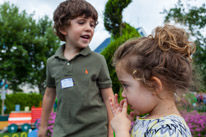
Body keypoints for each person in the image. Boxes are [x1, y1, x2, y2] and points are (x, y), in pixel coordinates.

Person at [38, 0, 114, 137]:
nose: (89, 28)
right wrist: (43, 127)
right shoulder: (52, 63)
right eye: (81, 22)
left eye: (92, 25)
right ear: (63, 29)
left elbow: (109, 98)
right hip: (62, 133)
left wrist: (112, 130)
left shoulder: (98, 60)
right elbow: (49, 95)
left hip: (95, 132)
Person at [109, 24, 194, 137]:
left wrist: (121, 131)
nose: (123, 94)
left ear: (153, 86)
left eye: (126, 85)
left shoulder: (171, 130)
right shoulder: (150, 120)